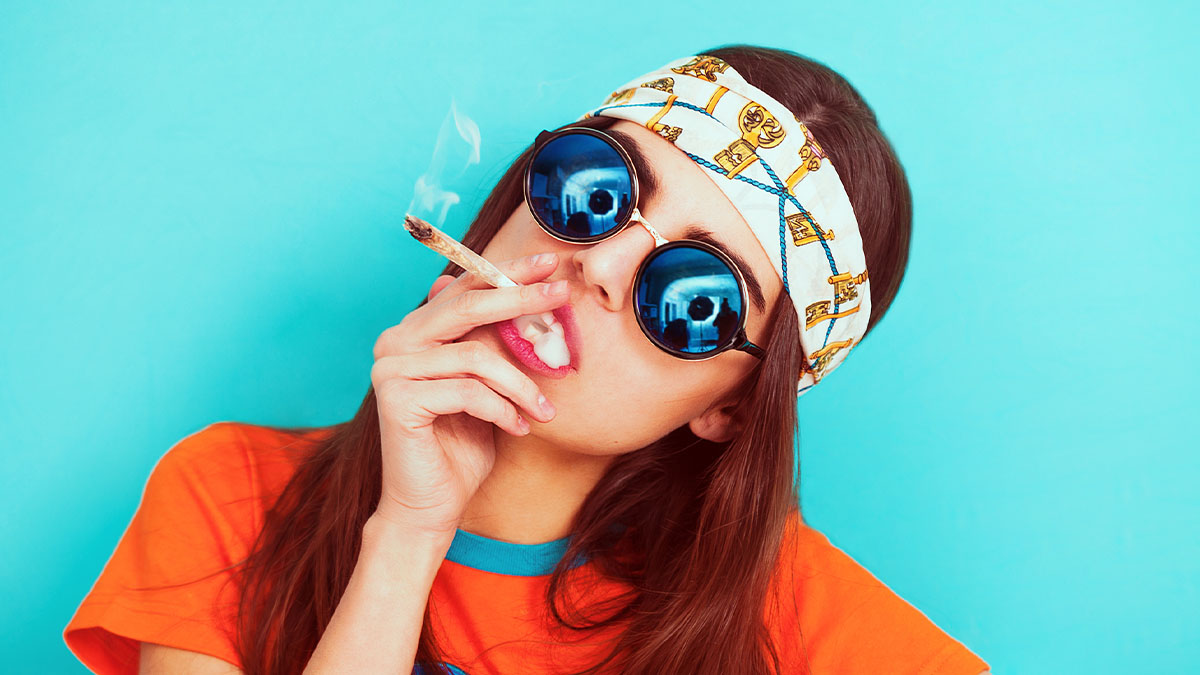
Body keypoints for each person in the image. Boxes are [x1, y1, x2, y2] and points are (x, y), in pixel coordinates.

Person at [63, 45, 991, 675]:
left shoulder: (803, 625)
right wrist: (407, 536)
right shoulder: (231, 498)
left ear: (735, 409)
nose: (597, 265)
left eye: (695, 297)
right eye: (593, 189)